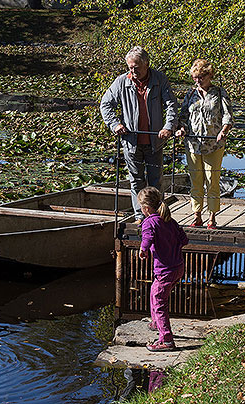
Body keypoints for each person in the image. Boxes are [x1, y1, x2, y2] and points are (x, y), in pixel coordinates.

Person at [100, 46, 179, 222]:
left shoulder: (159, 79)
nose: (132, 71)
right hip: (131, 141)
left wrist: (168, 127)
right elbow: (105, 104)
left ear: (146, 64)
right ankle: (140, 216)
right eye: (130, 67)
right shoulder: (122, 82)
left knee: (155, 181)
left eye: (136, 67)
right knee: (136, 181)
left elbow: (171, 105)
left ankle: (158, 217)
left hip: (154, 141)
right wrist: (115, 124)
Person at [175, 59, 234, 229]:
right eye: (195, 77)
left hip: (213, 145)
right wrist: (182, 129)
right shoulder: (190, 94)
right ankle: (197, 216)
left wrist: (224, 131)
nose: (197, 80)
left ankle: (212, 218)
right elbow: (184, 116)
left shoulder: (219, 93)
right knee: (196, 181)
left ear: (209, 75)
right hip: (193, 144)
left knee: (212, 181)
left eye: (201, 77)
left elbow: (228, 116)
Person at [138, 186, 189, 352]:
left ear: (146, 209)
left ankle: (166, 340)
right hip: (178, 267)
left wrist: (143, 249)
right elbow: (184, 239)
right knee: (154, 292)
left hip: (165, 270)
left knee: (159, 303)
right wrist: (170, 245)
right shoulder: (169, 220)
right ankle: (155, 323)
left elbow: (147, 237)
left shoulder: (149, 222)